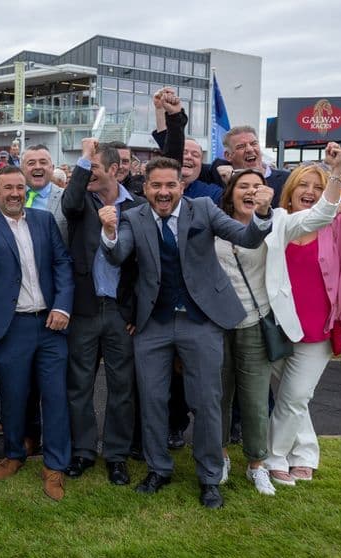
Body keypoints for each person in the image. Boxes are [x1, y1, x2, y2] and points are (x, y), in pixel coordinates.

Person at [99, 156, 273, 509]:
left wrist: (263, 214)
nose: (163, 192)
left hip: (201, 319)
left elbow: (248, 237)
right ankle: (158, 469)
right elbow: (118, 255)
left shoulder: (204, 208)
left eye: (170, 185)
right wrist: (109, 231)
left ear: (181, 185)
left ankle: (210, 477)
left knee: (207, 402)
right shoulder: (134, 216)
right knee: (151, 399)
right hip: (153, 323)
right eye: (156, 185)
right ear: (145, 188)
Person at [215, 166, 340, 494]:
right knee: (219, 396)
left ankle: (259, 464)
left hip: (259, 323)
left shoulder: (280, 220)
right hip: (219, 324)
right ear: (231, 193)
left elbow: (320, 215)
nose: (252, 191)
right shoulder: (213, 224)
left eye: (258, 185)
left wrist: (339, 173)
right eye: (244, 186)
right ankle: (220, 456)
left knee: (258, 400)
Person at [0, 165, 74, 501]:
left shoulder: (43, 220)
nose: (14, 194)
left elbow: (62, 264)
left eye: (19, 188)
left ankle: (55, 466)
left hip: (51, 324)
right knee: (13, 396)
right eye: (7, 188)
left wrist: (63, 306)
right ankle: (13, 454)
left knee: (55, 397)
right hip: (13, 327)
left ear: (27, 190)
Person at [264, 146, 341, 485]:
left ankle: (275, 455)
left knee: (295, 395)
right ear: (289, 192)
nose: (309, 191)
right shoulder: (275, 224)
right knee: (295, 396)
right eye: (302, 185)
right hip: (275, 328)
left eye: (317, 184)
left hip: (320, 330)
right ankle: (306, 453)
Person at [60, 138, 146, 486]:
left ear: (114, 169)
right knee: (79, 385)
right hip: (83, 309)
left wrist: (136, 313)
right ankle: (83, 451)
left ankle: (116, 455)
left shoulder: (138, 207)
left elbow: (144, 266)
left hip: (119, 313)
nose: (88, 173)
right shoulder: (80, 202)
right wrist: (84, 157)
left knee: (121, 387)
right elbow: (68, 201)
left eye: (94, 167)